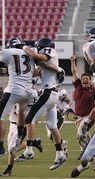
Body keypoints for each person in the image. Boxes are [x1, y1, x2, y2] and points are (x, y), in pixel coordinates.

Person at [0, 37, 37, 164]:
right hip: (28, 91)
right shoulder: (29, 53)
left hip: (14, 90)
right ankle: (20, 136)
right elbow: (35, 72)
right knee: (21, 113)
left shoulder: (7, 52)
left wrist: (6, 69)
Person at [20, 37, 68, 170]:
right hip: (53, 94)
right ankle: (60, 154)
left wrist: (24, 47)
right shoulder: (46, 63)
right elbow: (36, 71)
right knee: (52, 126)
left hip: (48, 92)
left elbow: (37, 56)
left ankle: (29, 150)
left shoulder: (49, 52)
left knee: (29, 120)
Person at [70, 54, 95, 156]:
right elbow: (74, 72)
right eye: (83, 78)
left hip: (89, 116)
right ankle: (91, 151)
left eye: (87, 78)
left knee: (81, 133)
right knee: (83, 134)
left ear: (90, 81)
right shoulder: (78, 87)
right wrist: (73, 61)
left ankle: (84, 152)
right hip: (79, 116)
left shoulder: (94, 90)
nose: (85, 80)